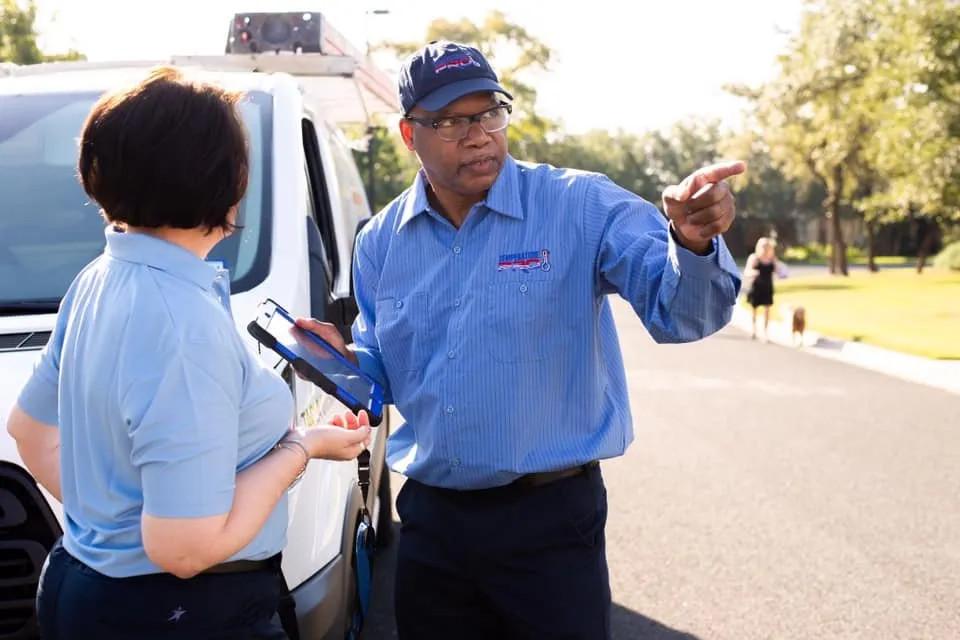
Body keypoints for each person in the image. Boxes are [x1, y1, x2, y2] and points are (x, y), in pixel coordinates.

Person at [301, 41, 744, 639]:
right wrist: (338, 361)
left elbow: (681, 314)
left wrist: (689, 243)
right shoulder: (380, 242)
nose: (479, 134)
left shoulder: (579, 204)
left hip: (550, 526)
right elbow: (386, 370)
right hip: (433, 524)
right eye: (453, 121)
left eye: (489, 113)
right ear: (410, 135)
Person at [4, 67, 372, 640]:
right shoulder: (184, 325)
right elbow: (183, 549)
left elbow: (28, 430)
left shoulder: (100, 277)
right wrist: (304, 448)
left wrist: (111, 532)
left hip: (85, 586)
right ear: (223, 178)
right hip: (183, 612)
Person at [744, 237, 786, 341]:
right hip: (757, 287)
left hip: (768, 287)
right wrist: (753, 272)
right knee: (754, 310)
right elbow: (747, 271)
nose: (765, 249)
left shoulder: (772, 260)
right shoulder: (754, 258)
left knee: (767, 310)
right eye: (763, 246)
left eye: (767, 247)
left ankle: (765, 332)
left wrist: (782, 275)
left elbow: (778, 271)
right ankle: (754, 330)